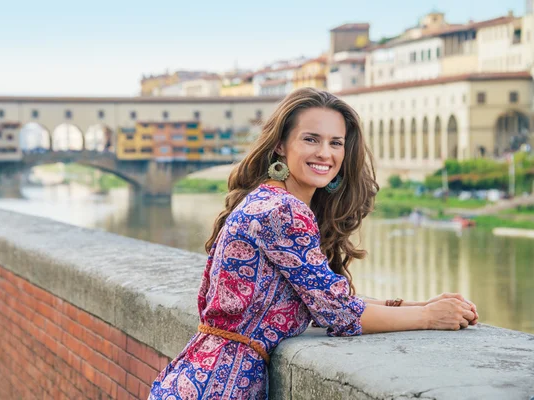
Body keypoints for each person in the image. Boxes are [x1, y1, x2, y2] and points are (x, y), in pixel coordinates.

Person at [149, 88, 478, 400]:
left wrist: (419, 306)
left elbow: (324, 299)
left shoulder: (267, 199)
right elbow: (340, 314)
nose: (325, 153)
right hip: (220, 387)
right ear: (280, 145)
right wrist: (429, 318)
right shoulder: (282, 210)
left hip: (201, 376)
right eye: (311, 139)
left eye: (336, 142)